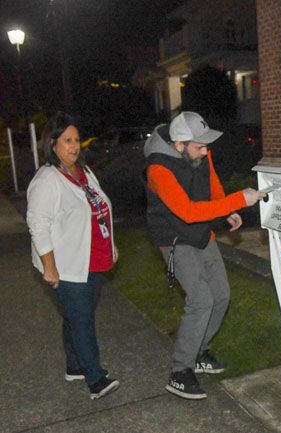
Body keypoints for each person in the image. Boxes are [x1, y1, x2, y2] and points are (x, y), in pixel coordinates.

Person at [144, 111, 265, 400]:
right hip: (175, 238)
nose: (206, 151)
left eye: (206, 145)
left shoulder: (199, 154)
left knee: (221, 295)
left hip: (201, 234)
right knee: (201, 300)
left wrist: (228, 209)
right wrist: (239, 200)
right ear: (179, 145)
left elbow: (211, 184)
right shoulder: (158, 170)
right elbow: (186, 212)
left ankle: (199, 352)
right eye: (200, 146)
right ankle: (180, 371)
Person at [26, 111, 120, 400]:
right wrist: (49, 267)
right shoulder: (47, 179)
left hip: (91, 258)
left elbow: (99, 208)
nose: (74, 145)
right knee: (81, 319)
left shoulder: (83, 171)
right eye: (67, 140)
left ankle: (74, 365)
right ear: (52, 143)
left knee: (77, 314)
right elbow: (38, 225)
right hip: (66, 263)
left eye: (77, 139)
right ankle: (95, 378)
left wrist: (111, 244)